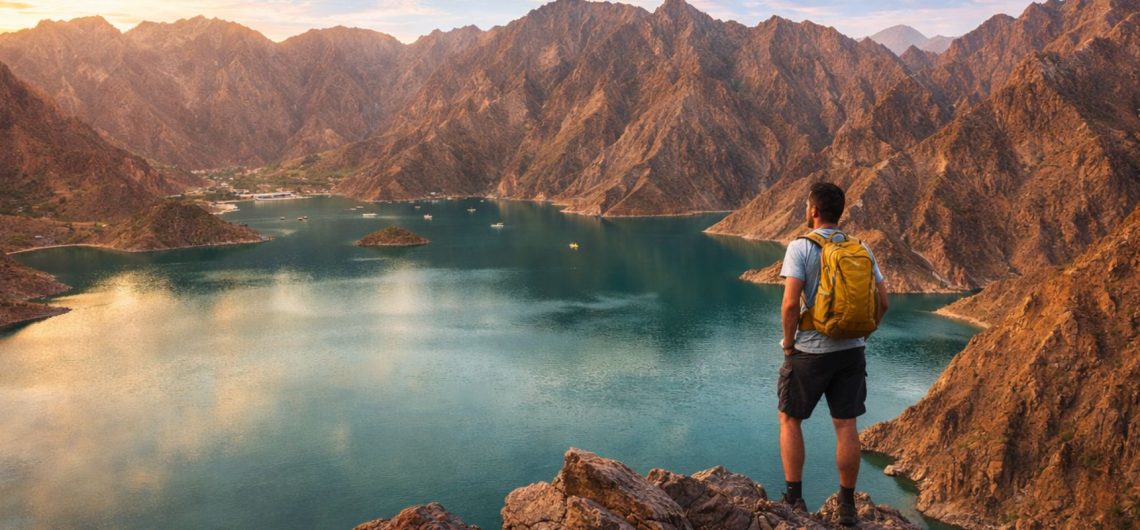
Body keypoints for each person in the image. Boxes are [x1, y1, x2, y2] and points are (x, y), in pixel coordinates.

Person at [777, 182, 889, 526]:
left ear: (812, 211)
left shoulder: (801, 247)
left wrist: (789, 343)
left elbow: (791, 304)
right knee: (846, 426)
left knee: (790, 419)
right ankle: (847, 507)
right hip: (852, 352)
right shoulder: (861, 248)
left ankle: (794, 500)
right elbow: (883, 302)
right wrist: (862, 336)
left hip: (810, 351)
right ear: (839, 212)